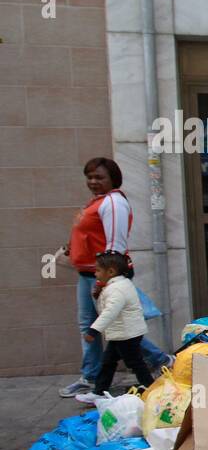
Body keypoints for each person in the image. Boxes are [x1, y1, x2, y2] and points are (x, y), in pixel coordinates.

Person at [60, 157, 171, 397]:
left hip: (101, 276)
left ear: (113, 179)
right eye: (89, 177)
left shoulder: (113, 203)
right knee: (101, 326)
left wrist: (104, 281)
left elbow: (115, 245)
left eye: (99, 177)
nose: (93, 181)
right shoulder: (98, 202)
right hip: (89, 274)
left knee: (120, 328)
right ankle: (92, 377)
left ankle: (159, 360)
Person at [76, 252, 155, 399]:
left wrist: (93, 331)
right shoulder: (119, 284)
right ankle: (99, 391)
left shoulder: (116, 288)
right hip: (123, 333)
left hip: (126, 334)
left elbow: (110, 312)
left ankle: (151, 388)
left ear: (111, 271)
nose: (95, 273)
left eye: (98, 270)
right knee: (109, 363)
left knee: (134, 363)